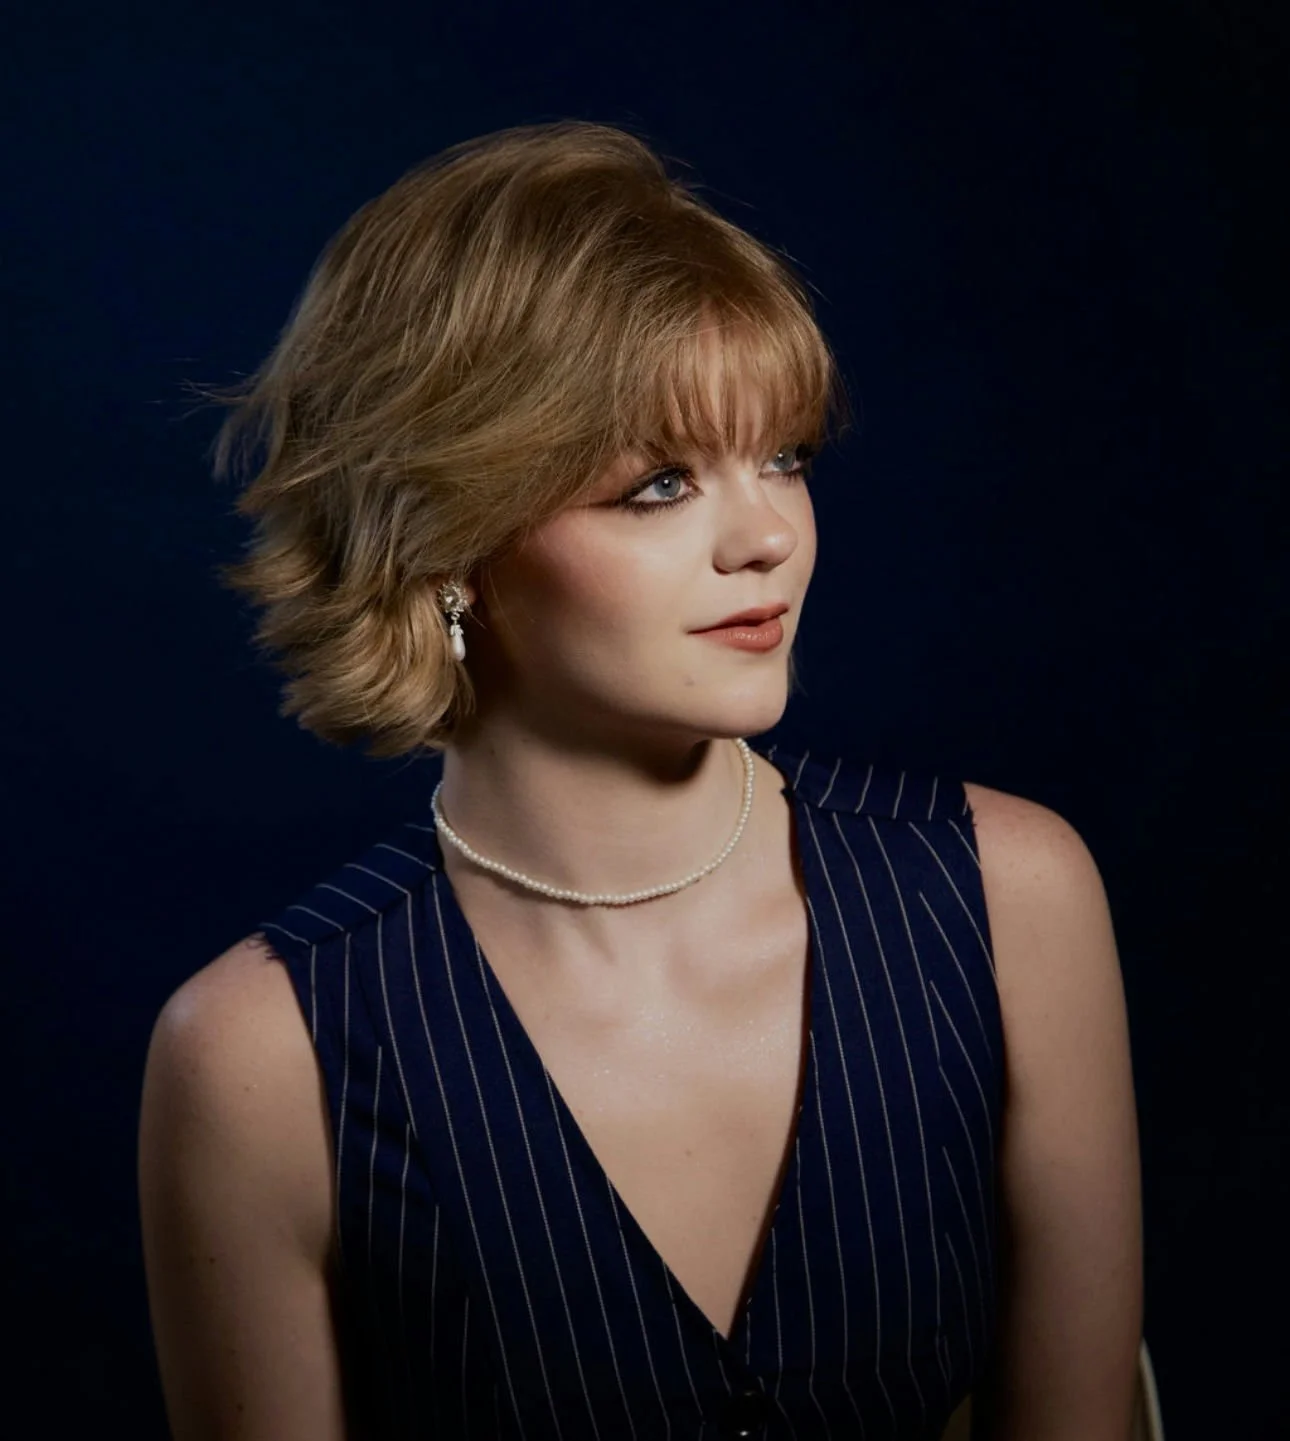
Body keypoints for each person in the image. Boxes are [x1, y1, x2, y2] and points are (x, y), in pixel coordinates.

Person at [137, 120, 1143, 1440]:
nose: (767, 536)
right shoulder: (258, 1059)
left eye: (781, 456)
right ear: (450, 545)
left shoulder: (1005, 902)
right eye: (659, 484)